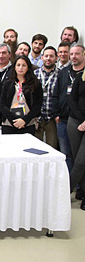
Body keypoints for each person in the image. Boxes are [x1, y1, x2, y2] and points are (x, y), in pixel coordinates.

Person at [53, 45, 85, 175]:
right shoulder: (63, 72)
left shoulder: (83, 74)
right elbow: (56, 93)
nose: (73, 57)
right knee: (67, 153)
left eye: (77, 54)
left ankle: (78, 186)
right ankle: (69, 182)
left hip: (80, 119)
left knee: (80, 157)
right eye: (71, 54)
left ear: (83, 55)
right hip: (64, 118)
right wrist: (56, 113)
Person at [0, 55, 42, 134]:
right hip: (9, 124)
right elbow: (2, 105)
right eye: (18, 65)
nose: (20, 68)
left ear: (28, 67)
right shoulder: (8, 83)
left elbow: (37, 106)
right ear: (14, 67)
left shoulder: (35, 84)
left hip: (28, 124)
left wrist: (24, 121)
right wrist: (14, 121)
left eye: (24, 65)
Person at [67, 66, 85, 210]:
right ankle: (84, 192)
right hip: (75, 122)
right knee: (76, 158)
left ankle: (64, 191)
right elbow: (72, 99)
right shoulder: (80, 76)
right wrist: (81, 119)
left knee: (80, 162)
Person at [34, 47, 59, 148]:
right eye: (46, 56)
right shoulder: (35, 74)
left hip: (52, 117)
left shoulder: (60, 74)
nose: (48, 58)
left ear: (56, 58)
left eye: (51, 56)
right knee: (35, 148)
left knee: (52, 147)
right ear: (42, 58)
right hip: (37, 117)